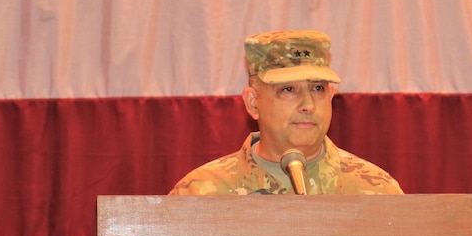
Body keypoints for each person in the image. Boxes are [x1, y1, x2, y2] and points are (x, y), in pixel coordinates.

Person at [169, 30, 403, 196]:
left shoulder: (376, 191)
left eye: (318, 88)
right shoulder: (200, 193)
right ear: (253, 103)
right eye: (288, 90)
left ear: (332, 96)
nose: (308, 105)